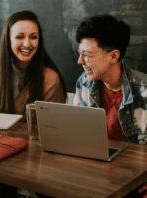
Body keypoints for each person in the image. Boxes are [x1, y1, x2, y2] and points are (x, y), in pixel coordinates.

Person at [72, 14, 147, 197]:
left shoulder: (144, 91)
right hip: (96, 176)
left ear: (113, 56)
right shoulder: (84, 84)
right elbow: (76, 139)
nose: (80, 61)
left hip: (134, 180)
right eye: (79, 53)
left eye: (86, 55)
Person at [0, 10, 67, 121]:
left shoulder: (50, 79)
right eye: (19, 37)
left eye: (33, 37)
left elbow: (52, 129)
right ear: (8, 40)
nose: (27, 44)